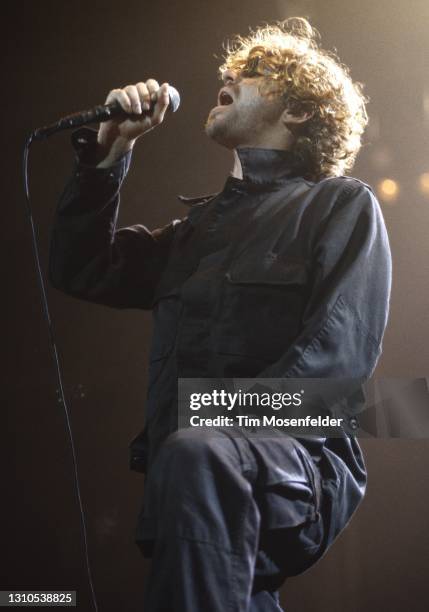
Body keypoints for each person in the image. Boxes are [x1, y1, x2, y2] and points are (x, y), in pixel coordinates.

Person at [49, 17, 392, 612]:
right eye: (231, 70)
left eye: (253, 73)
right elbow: (82, 268)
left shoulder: (339, 205)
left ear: (300, 113)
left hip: (297, 465)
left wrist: (200, 418)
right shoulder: (195, 234)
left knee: (195, 449)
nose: (228, 76)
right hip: (191, 481)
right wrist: (109, 155)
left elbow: (338, 369)